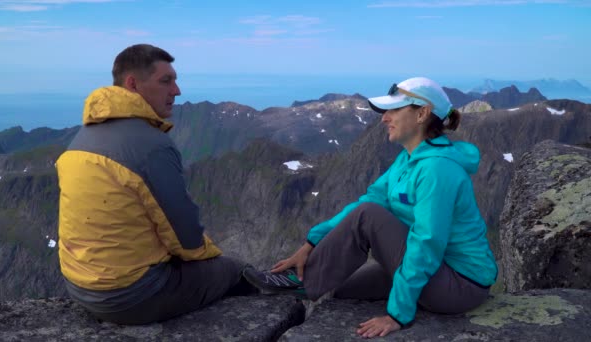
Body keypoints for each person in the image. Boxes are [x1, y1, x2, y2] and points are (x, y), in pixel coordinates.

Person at [243, 77, 498, 338]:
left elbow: (427, 242)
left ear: (422, 113)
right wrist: (312, 243)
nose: (384, 118)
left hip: (460, 284)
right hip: (435, 270)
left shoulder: (437, 169)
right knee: (343, 292)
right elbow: (369, 200)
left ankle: (302, 282)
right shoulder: (407, 160)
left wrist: (397, 315)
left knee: (369, 217)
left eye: (394, 110)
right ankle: (306, 279)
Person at [56, 44, 253, 325]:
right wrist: (213, 260)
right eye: (166, 81)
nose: (177, 90)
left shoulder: (81, 138)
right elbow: (187, 239)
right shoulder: (151, 146)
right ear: (133, 84)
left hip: (80, 288)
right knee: (235, 269)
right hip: (132, 297)